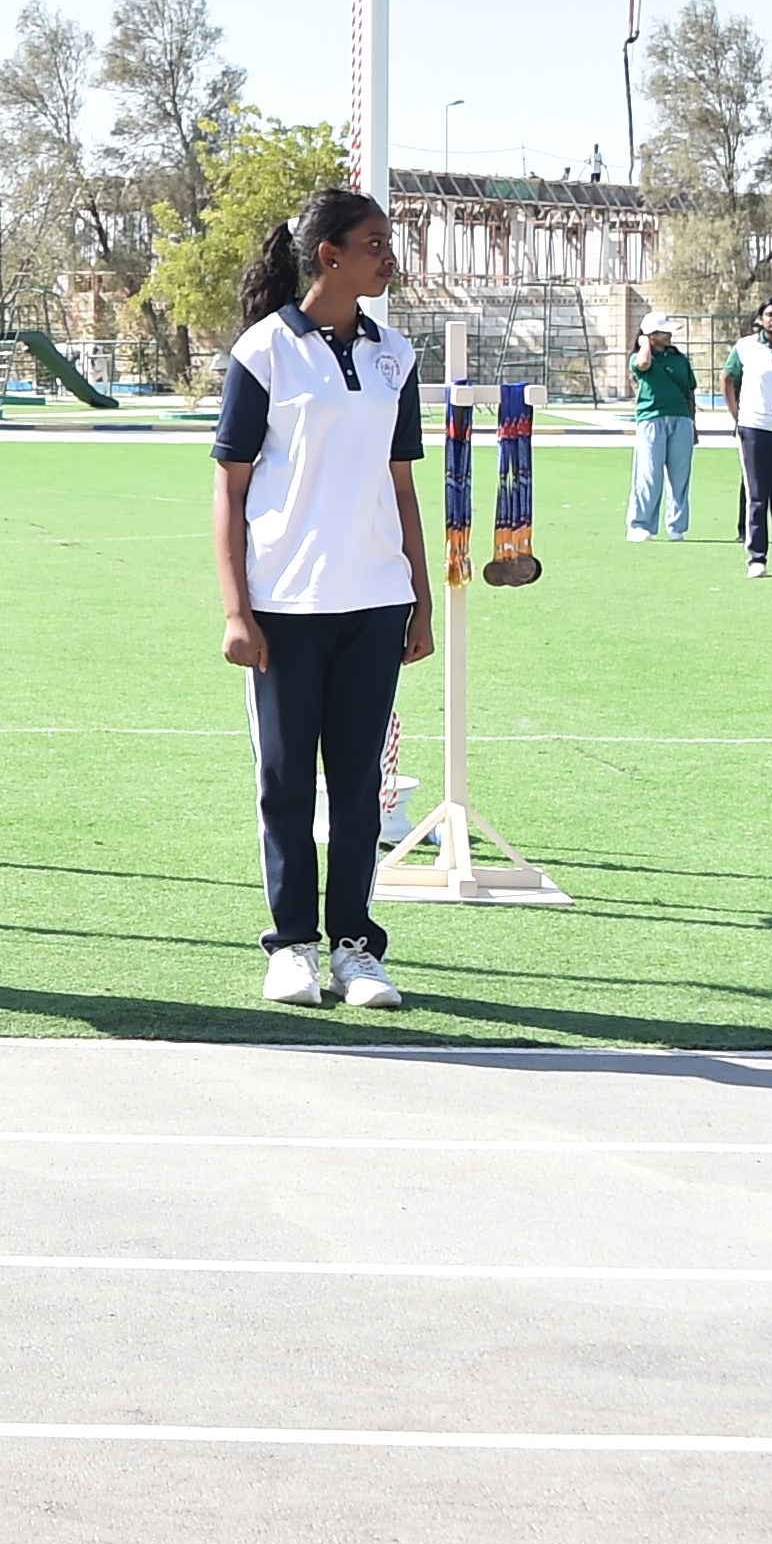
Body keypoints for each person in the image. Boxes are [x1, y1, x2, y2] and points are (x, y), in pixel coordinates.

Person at [209, 185, 430, 1010]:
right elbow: (230, 489)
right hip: (284, 607)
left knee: (360, 787)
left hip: (374, 601)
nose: (388, 258)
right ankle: (293, 945)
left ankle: (354, 949)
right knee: (286, 784)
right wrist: (237, 609)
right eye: (374, 244)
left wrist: (419, 597)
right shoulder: (264, 350)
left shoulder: (394, 356)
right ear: (329, 255)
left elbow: (400, 484)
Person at [726, 294, 772, 578]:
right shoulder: (745, 346)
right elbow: (728, 378)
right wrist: (737, 415)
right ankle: (757, 558)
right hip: (754, 429)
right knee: (757, 495)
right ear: (760, 318)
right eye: (769, 314)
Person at [624, 314, 696, 543]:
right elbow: (643, 364)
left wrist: (693, 424)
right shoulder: (639, 356)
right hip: (651, 419)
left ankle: (677, 526)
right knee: (649, 475)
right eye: (664, 332)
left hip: (681, 419)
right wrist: (644, 343)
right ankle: (640, 525)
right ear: (652, 335)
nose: (669, 335)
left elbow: (690, 392)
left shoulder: (679, 359)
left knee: (679, 477)